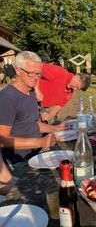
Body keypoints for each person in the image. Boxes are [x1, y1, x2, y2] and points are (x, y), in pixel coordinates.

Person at [0, 51, 64, 194]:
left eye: (38, 74)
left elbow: (31, 123)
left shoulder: (30, 92)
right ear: (17, 70)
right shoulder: (7, 98)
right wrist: (39, 142)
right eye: (31, 73)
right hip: (18, 162)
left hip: (35, 154)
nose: (36, 78)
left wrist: (55, 128)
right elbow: (2, 140)